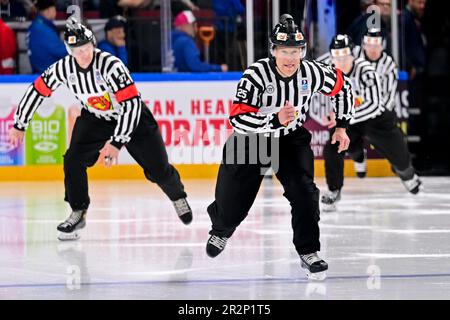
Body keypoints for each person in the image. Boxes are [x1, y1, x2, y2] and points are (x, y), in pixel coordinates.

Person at [9, 18, 193, 240]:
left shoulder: (111, 65)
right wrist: (20, 123)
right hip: (95, 117)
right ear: (69, 51)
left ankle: (177, 196)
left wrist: (117, 141)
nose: (83, 55)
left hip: (133, 118)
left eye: (86, 48)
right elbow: (37, 90)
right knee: (73, 159)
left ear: (93, 44)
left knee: (158, 170)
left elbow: (132, 105)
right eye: (77, 51)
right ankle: (78, 211)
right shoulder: (64, 68)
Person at [205, 14, 355, 280]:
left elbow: (343, 88)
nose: (290, 58)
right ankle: (221, 228)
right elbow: (237, 119)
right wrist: (273, 119)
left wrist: (341, 125)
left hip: (290, 138)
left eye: (295, 51)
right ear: (273, 51)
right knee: (233, 204)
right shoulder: (256, 74)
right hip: (251, 139)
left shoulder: (312, 72)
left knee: (305, 192)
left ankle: (309, 251)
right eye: (285, 51)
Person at [320, 34, 422, 212]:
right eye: (336, 58)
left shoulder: (366, 71)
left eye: (344, 57)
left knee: (400, 155)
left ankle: (406, 173)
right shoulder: (327, 70)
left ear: (353, 55)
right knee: (333, 147)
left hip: (375, 118)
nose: (341, 62)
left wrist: (342, 117)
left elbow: (375, 106)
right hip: (349, 120)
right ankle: (335, 189)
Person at [28, 0, 67, 73]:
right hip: (46, 75)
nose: (56, 12)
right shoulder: (42, 29)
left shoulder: (37, 26)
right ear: (48, 11)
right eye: (54, 9)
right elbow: (60, 51)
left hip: (42, 72)